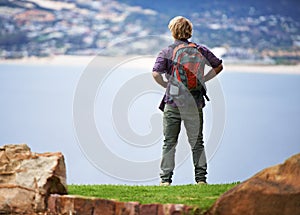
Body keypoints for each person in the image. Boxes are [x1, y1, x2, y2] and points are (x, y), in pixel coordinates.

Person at [152, 16, 223, 186]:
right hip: (195, 102)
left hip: (173, 102)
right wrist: (203, 79)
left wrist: (166, 85)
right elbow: (218, 66)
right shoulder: (200, 49)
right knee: (197, 142)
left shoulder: (167, 51)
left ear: (173, 31)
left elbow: (156, 73)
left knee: (169, 142)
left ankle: (165, 180)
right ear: (189, 31)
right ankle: (201, 180)